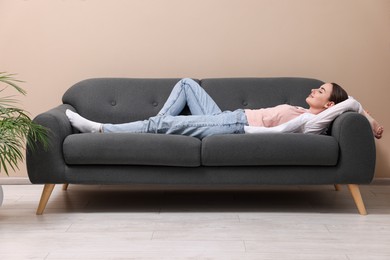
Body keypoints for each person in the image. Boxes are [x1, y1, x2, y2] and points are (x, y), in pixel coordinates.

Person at [66, 78, 384, 139]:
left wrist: (368, 120)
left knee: (156, 126)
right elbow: (350, 104)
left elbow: (351, 103)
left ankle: (99, 129)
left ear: (329, 105)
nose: (313, 90)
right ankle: (159, 124)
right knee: (189, 83)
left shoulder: (314, 123)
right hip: (228, 116)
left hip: (230, 127)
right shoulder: (304, 111)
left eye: (321, 91)